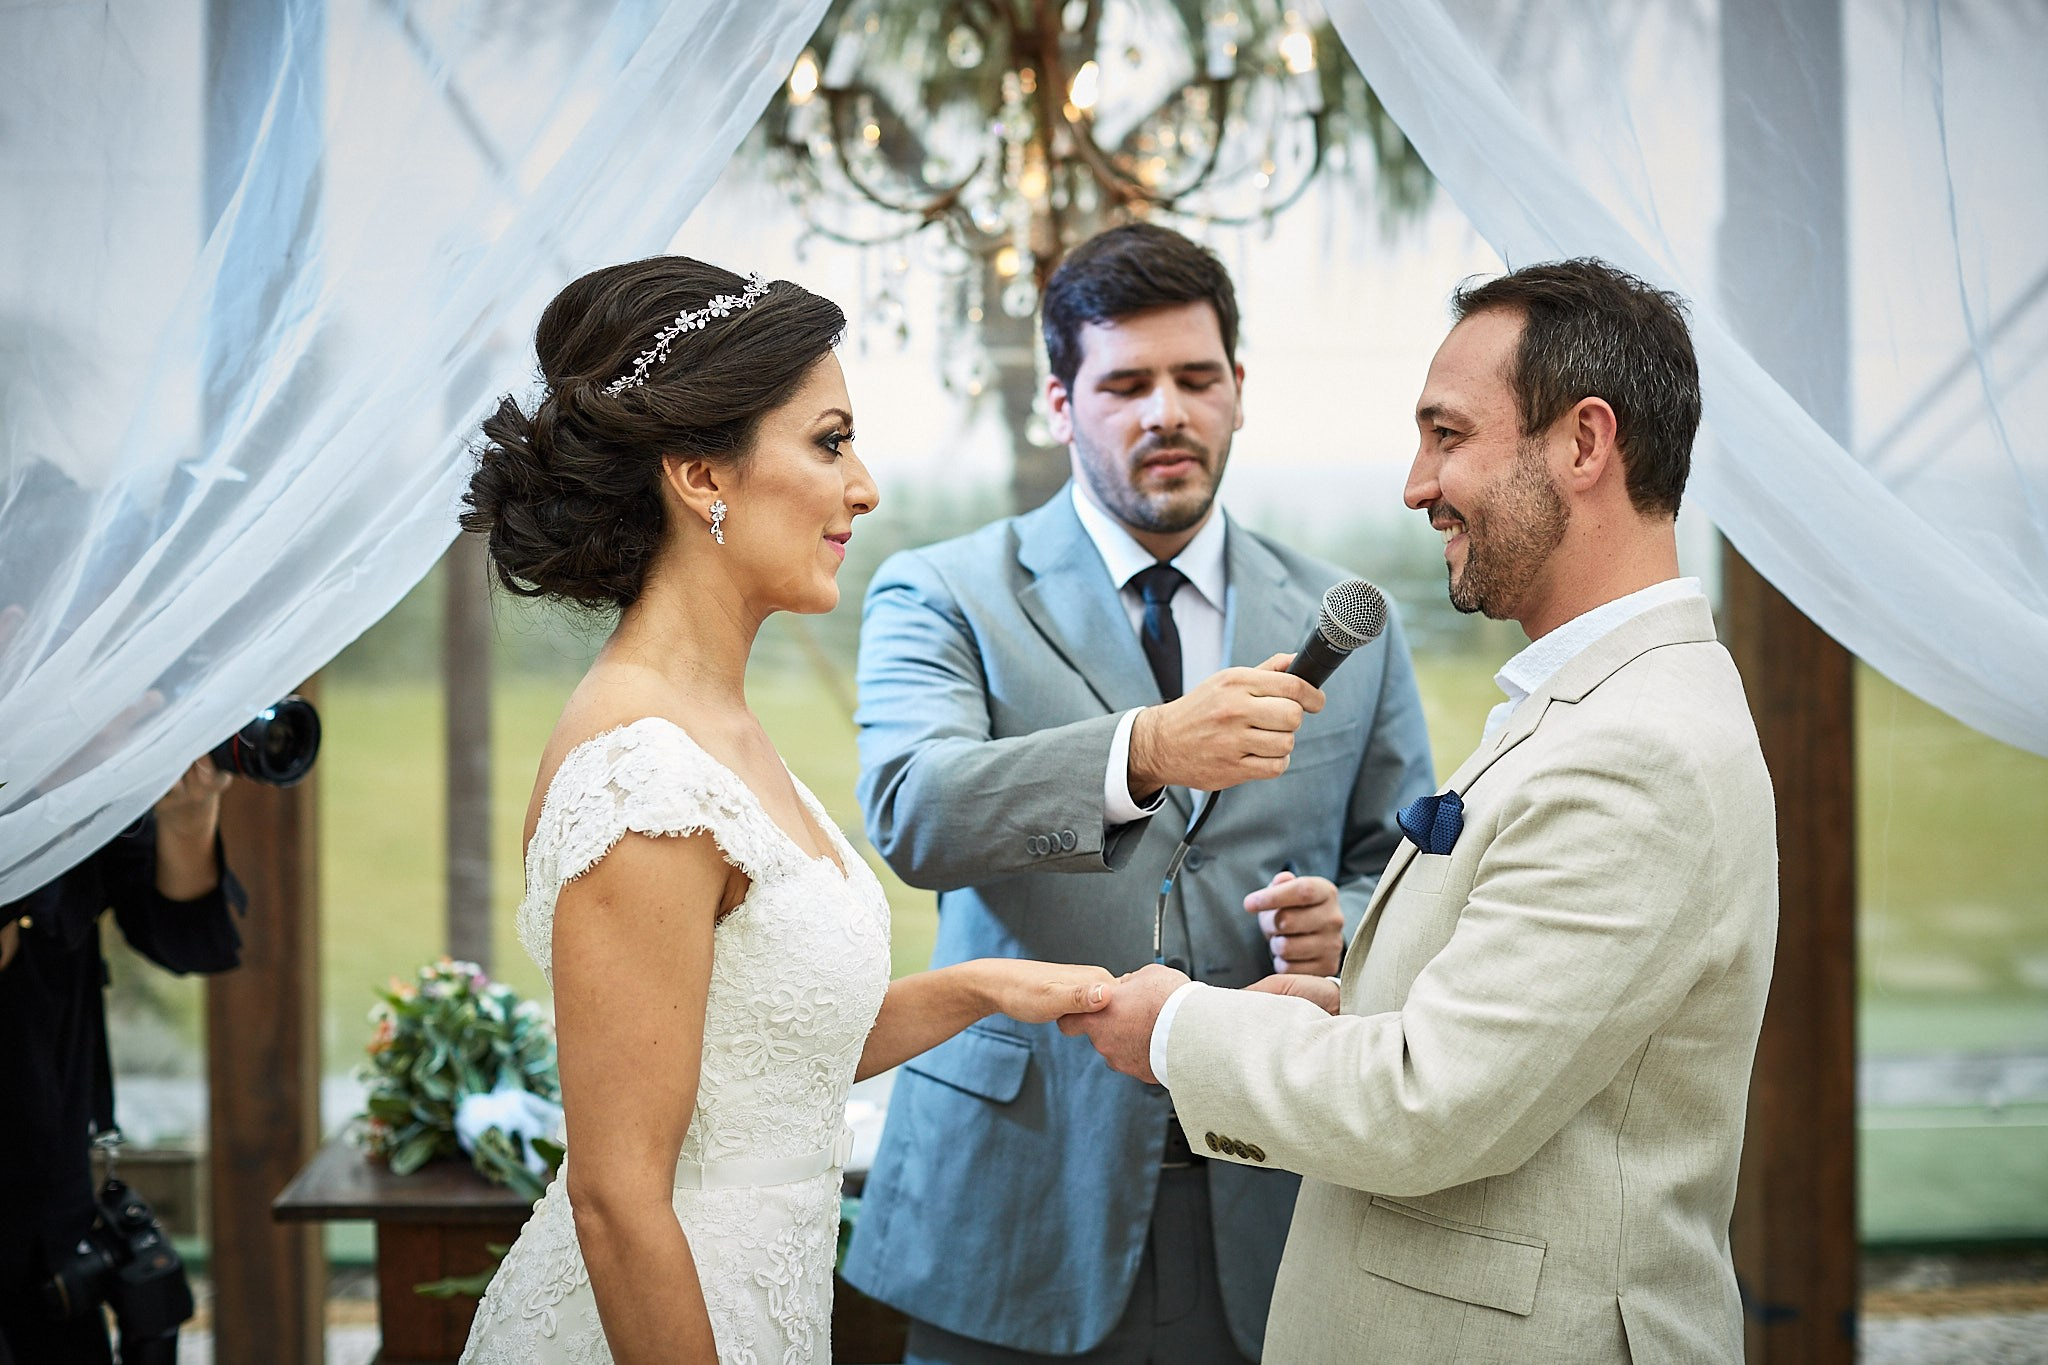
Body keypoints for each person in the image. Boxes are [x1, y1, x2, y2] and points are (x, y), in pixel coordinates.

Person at [1066, 258, 1779, 1363]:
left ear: (1583, 445)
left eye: (1446, 436)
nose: (1414, 484)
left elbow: (1426, 1106)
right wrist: (1348, 1000)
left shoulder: (1635, 749)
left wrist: (1173, 1028)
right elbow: (1512, 1030)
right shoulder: (1591, 697)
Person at [453, 257, 1117, 1365]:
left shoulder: (716, 727)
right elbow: (619, 1202)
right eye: (828, 441)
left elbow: (759, 1053)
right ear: (701, 476)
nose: (863, 487)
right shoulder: (646, 779)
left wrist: (980, 987)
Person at [840, 223, 1437, 1364]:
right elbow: (913, 810)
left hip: (1274, 1193)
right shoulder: (942, 593)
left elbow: (1403, 864)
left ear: (1238, 391)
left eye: (1193, 377)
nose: (1165, 409)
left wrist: (1346, 921)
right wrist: (1146, 748)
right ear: (1059, 406)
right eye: (1124, 384)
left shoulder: (1345, 617)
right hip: (1016, 1199)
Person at [0, 758, 243, 1365]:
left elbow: (185, 938)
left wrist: (188, 819)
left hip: (51, 1191)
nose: (147, 704)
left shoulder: (78, 786)